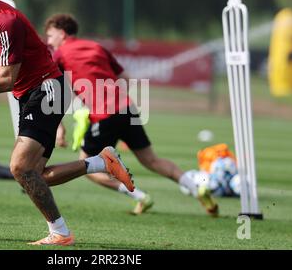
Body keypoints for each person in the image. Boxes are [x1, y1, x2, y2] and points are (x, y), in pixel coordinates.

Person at [0, 0, 135, 246]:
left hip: (47, 88)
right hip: (29, 95)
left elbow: (6, 79)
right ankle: (100, 163)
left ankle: (62, 233)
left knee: (19, 167)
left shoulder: (7, 22)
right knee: (34, 176)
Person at [44, 13, 219, 217]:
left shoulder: (60, 54)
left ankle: (140, 196)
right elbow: (125, 79)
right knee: (152, 160)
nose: (49, 41)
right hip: (127, 108)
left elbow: (56, 91)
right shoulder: (97, 47)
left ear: (62, 33)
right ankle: (196, 188)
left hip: (104, 115)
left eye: (50, 35)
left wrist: (60, 126)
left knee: (86, 166)